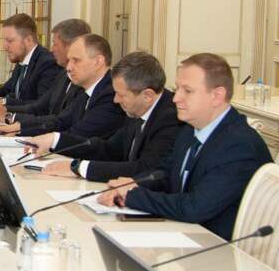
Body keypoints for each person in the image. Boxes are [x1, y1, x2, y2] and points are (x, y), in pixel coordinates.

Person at [98, 53, 272, 240]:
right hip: (186, 233)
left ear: (217, 96)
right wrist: (133, 183)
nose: (175, 98)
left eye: (187, 91)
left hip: (220, 246)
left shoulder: (239, 145)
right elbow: (165, 173)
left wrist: (133, 195)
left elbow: (195, 207)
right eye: (177, 89)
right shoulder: (190, 129)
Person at [23, 51, 182, 181]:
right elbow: (109, 149)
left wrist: (78, 168)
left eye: (121, 95)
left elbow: (144, 169)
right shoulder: (137, 108)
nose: (115, 100)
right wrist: (55, 140)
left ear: (147, 96)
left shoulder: (171, 118)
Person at [3, 34, 125, 138]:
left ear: (98, 62)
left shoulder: (111, 94)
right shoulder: (87, 91)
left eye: (76, 60)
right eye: (69, 60)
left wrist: (44, 140)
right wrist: (20, 129)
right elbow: (60, 121)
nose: (69, 68)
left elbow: (78, 135)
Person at [0, 18, 90, 127]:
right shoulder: (63, 75)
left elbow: (58, 119)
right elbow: (39, 106)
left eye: (55, 44)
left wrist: (8, 114)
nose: (52, 49)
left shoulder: (50, 64)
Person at [0, 13, 60, 106]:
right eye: (4, 41)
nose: (4, 46)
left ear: (28, 40)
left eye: (10, 41)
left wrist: (4, 102)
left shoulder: (48, 64)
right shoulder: (22, 59)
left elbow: (41, 106)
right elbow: (6, 90)